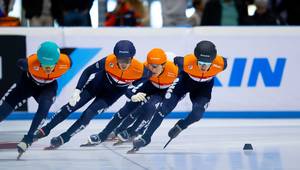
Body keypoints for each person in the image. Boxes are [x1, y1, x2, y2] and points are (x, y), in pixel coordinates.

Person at [34, 40, 151, 149]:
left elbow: (137, 83)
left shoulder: (141, 70)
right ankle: (46, 129)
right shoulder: (108, 61)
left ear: (132, 58)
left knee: (88, 114)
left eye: (127, 60)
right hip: (95, 86)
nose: (124, 63)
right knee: (71, 106)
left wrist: (132, 93)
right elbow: (87, 71)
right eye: (120, 59)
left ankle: (65, 137)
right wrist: (77, 90)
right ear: (116, 57)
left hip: (109, 96)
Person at [129, 40, 227, 153]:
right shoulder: (185, 62)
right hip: (183, 85)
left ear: (213, 61)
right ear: (195, 59)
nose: (203, 67)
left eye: (207, 64)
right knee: (162, 109)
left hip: (203, 89)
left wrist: (182, 126)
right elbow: (170, 60)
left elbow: (224, 60)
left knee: (197, 114)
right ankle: (146, 137)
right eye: (200, 63)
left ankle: (181, 126)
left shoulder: (221, 63)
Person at [82, 48, 178, 146]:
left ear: (164, 65)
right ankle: (105, 133)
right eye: (149, 65)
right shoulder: (144, 67)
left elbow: (180, 88)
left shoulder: (175, 70)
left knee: (150, 107)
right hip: (148, 85)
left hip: (162, 92)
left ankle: (133, 131)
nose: (151, 69)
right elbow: (130, 84)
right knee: (128, 107)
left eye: (155, 66)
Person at [0, 41, 72, 157]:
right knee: (3, 109)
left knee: (45, 106)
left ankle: (28, 138)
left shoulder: (66, 62)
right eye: (44, 65)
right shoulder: (29, 63)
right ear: (39, 61)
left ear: (57, 61)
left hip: (48, 87)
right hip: (27, 85)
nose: (48, 68)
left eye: (51, 65)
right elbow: (19, 62)